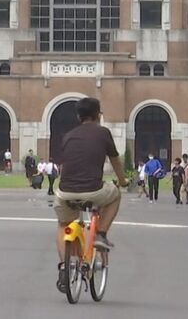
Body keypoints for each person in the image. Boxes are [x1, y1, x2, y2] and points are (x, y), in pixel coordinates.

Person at [53, 97, 128, 293]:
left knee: (63, 225)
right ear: (98, 115)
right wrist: (122, 181)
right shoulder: (103, 133)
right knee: (115, 195)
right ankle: (101, 234)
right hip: (94, 190)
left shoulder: (68, 136)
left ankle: (65, 267)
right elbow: (115, 161)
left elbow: (64, 165)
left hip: (65, 191)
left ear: (78, 116)